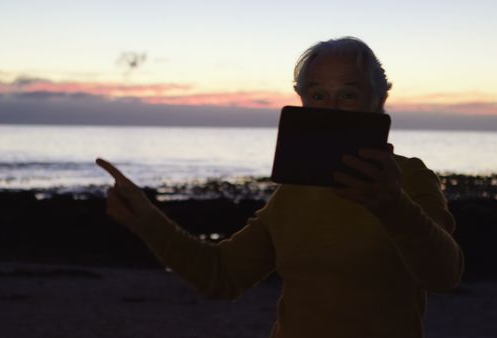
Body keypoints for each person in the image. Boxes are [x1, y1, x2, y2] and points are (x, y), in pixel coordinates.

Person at [96, 37, 464, 338]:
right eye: (318, 95)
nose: (331, 108)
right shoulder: (294, 191)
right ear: (302, 101)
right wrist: (146, 218)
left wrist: (391, 204)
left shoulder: (409, 178)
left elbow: (444, 275)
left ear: (378, 100)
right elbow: (221, 277)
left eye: (348, 94)